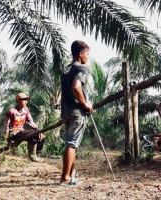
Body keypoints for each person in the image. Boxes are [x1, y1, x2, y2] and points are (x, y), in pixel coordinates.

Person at [59, 40, 93, 186]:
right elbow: (76, 87)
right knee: (71, 144)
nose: (87, 57)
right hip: (77, 112)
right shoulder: (82, 68)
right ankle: (65, 177)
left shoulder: (66, 70)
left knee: (71, 143)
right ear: (80, 54)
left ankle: (71, 175)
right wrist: (85, 104)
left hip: (66, 111)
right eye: (87, 54)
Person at [3, 93, 45, 162]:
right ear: (18, 100)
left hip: (21, 131)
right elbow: (6, 127)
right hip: (13, 134)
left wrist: (38, 130)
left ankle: (33, 156)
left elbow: (30, 122)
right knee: (35, 134)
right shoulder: (11, 112)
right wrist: (8, 140)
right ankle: (35, 154)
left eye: (27, 100)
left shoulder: (25, 110)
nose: (26, 102)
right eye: (24, 100)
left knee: (37, 138)